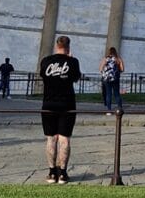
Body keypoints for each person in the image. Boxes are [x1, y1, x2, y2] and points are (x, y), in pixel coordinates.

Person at [40, 36, 81, 184]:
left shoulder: (45, 61)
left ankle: (51, 173)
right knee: (64, 139)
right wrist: (71, 60)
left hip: (48, 104)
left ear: (56, 46)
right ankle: (62, 173)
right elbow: (76, 78)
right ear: (68, 47)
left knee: (51, 138)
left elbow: (43, 77)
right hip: (67, 104)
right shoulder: (73, 62)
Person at [99, 46, 124, 113]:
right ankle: (120, 108)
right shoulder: (118, 59)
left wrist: (104, 73)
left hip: (107, 79)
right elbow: (122, 69)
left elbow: (100, 69)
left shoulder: (105, 59)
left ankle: (109, 110)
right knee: (117, 94)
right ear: (115, 52)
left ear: (109, 52)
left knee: (108, 94)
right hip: (115, 79)